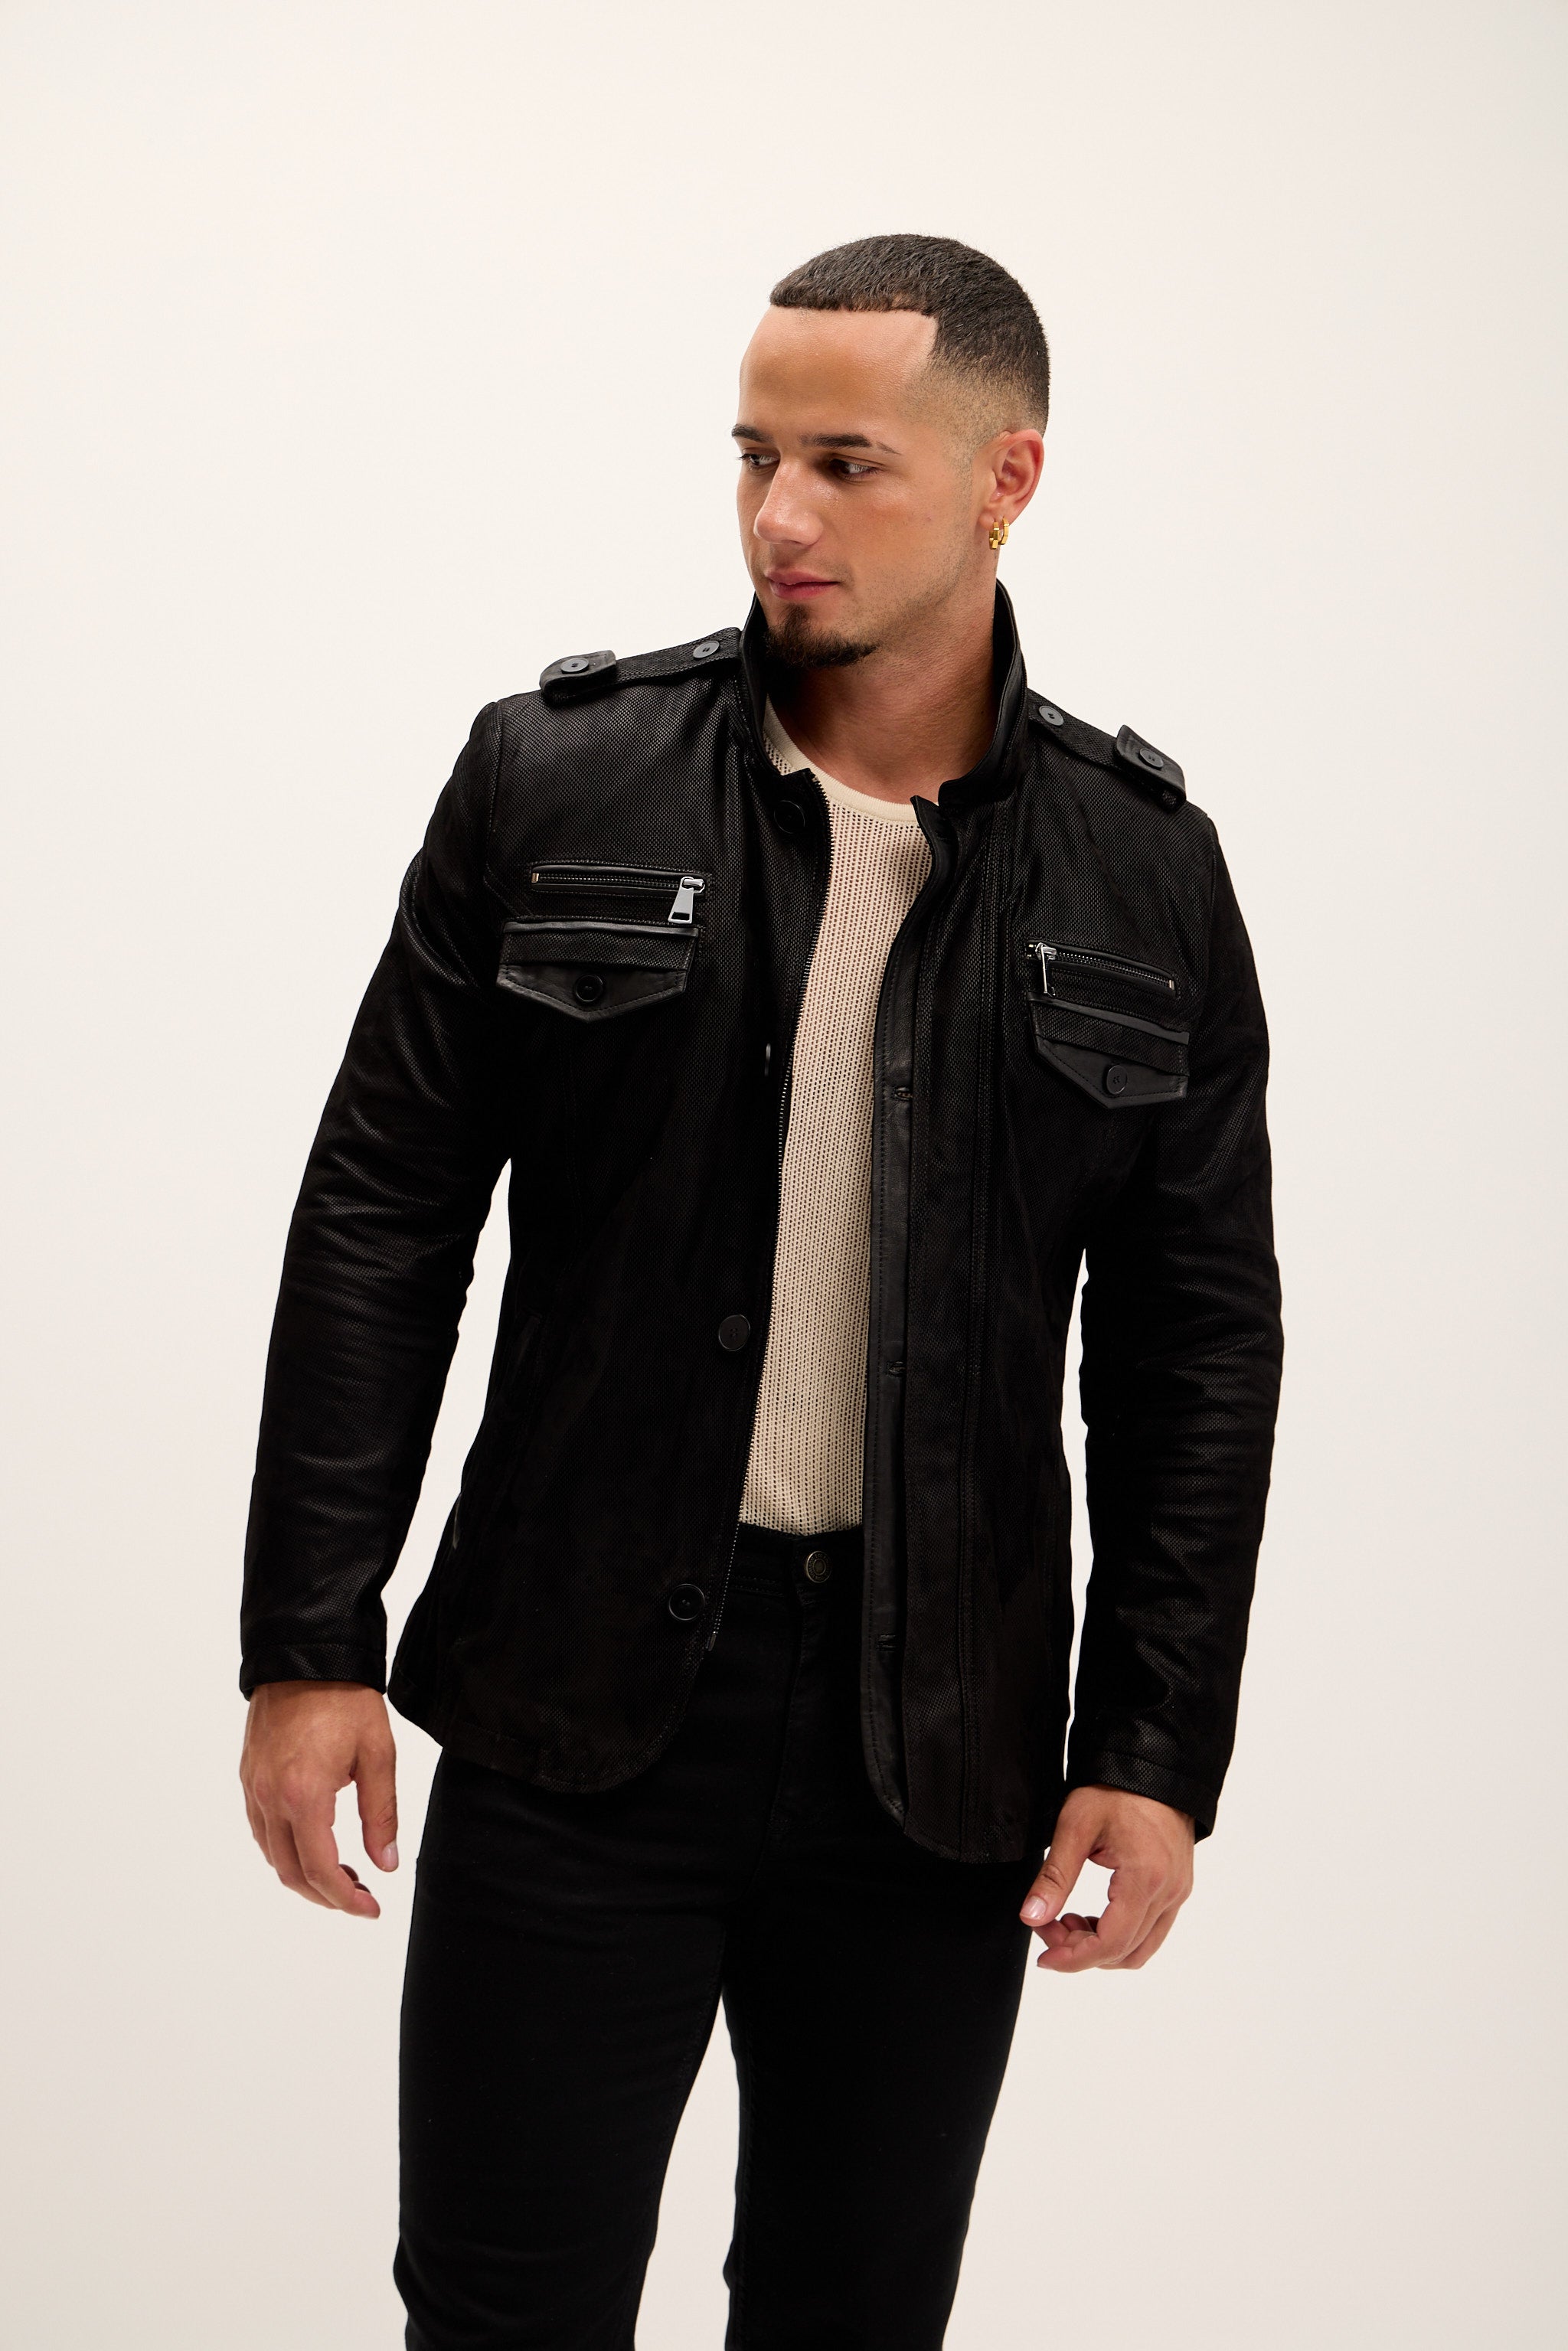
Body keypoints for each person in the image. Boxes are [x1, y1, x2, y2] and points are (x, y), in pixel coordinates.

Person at [239, 233, 1283, 2349]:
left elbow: (1196, 1349)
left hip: (939, 1741)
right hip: (571, 1696)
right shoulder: (557, 779)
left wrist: (1157, 1745)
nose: (780, 515)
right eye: (753, 457)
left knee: (853, 2313)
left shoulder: (1144, 872)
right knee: (503, 2311)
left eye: (846, 464)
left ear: (1007, 479)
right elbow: (380, 1216)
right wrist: (307, 1638)